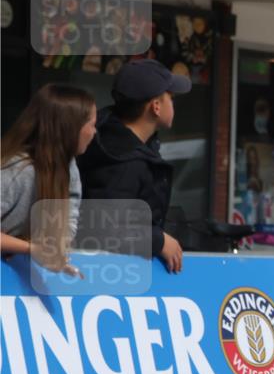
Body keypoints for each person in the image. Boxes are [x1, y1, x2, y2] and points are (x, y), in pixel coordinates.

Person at [77, 58, 191, 273]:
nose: (173, 104)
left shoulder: (122, 143)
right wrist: (158, 241)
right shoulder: (122, 160)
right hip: (110, 277)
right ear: (156, 106)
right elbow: (105, 229)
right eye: (171, 98)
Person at [1, 83, 96, 275]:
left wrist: (55, 253)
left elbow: (69, 220)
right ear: (71, 128)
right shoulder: (17, 171)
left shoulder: (69, 167)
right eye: (92, 125)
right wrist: (30, 249)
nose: (95, 132)